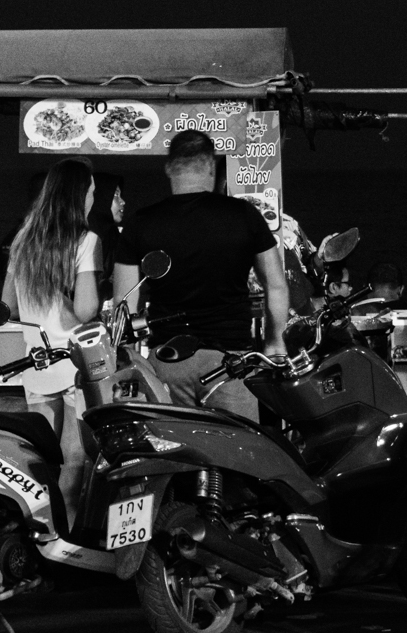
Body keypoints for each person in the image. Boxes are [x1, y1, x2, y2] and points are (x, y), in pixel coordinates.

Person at [113, 130, 289, 419]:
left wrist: (129, 357)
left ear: (169, 168)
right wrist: (274, 342)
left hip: (168, 362)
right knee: (240, 454)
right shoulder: (243, 214)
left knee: (179, 453)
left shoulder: (141, 223)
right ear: (210, 165)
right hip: (230, 362)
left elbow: (123, 302)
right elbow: (276, 285)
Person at [1, 157, 102, 527]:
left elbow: (8, 307)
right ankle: (64, 537)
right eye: (91, 192)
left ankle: (33, 532)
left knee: (38, 460)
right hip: (75, 366)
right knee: (75, 458)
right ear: (79, 196)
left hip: (36, 365)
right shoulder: (86, 240)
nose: (94, 199)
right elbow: (87, 309)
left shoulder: (23, 239)